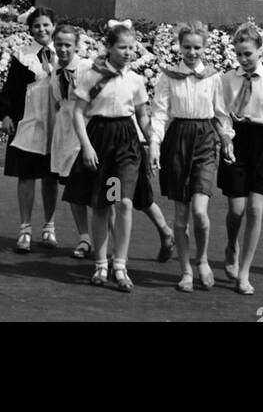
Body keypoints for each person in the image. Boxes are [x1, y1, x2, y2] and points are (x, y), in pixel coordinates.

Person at [65, 20, 152, 291]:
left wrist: (154, 141)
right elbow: (78, 112)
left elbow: (143, 116)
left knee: (124, 202)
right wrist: (87, 145)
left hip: (126, 142)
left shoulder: (136, 80)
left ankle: (120, 264)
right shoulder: (93, 76)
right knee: (104, 203)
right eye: (122, 47)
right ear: (109, 47)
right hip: (101, 140)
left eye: (131, 48)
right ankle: (101, 264)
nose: (127, 53)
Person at [149, 22, 234, 292]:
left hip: (205, 140)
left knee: (200, 211)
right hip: (176, 141)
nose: (192, 52)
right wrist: (154, 144)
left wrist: (227, 141)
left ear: (205, 47)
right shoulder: (168, 77)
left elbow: (221, 114)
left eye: (197, 47)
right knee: (181, 215)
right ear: (179, 46)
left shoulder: (213, 77)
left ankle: (203, 260)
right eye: (187, 46)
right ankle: (185, 270)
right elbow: (160, 113)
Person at [218, 23, 263, 295]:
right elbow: (221, 113)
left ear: (261, 50)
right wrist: (225, 138)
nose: (244, 59)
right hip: (236, 142)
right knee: (237, 210)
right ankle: (231, 245)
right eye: (239, 54)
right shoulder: (226, 79)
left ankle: (244, 272)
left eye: (248, 53)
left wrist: (255, 119)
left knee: (256, 210)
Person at [0, 7, 58, 253]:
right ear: (30, 29)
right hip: (29, 121)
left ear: (54, 25)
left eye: (46, 25)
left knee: (50, 177)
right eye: (36, 26)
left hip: (55, 124)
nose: (42, 30)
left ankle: (49, 227)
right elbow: (10, 89)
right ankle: (25, 230)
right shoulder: (23, 56)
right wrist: (6, 114)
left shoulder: (64, 52)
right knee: (26, 175)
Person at [49, 22, 94, 258]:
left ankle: (163, 229)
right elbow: (58, 100)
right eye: (59, 44)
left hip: (90, 133)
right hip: (66, 135)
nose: (63, 49)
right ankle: (85, 238)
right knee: (73, 188)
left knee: (114, 193)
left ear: (77, 46)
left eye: (68, 45)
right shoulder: (56, 70)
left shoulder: (88, 69)